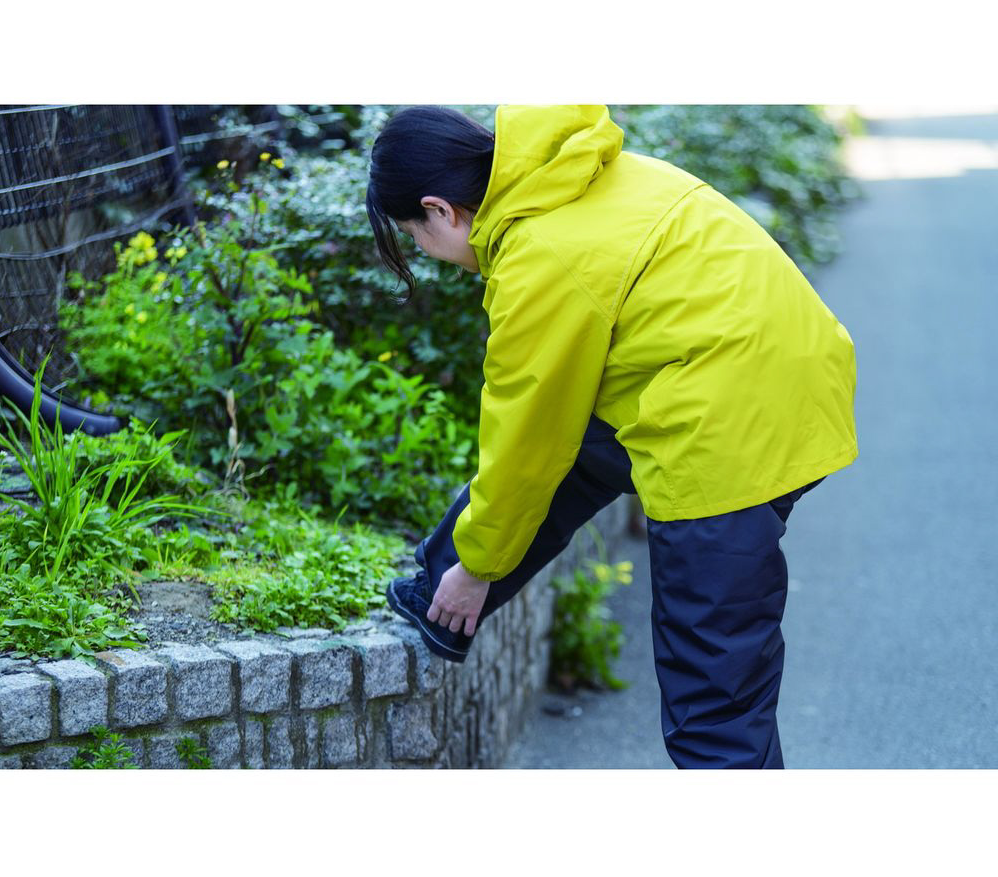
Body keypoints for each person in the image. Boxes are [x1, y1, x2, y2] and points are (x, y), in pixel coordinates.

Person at [365, 104, 858, 769]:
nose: (425, 254)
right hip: (798, 381)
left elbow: (525, 440)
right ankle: (439, 599)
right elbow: (556, 441)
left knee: (714, 704)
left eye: (413, 235)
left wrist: (479, 567)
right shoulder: (591, 172)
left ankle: (455, 589)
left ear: (440, 210)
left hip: (725, 432)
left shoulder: (538, 254)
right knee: (584, 449)